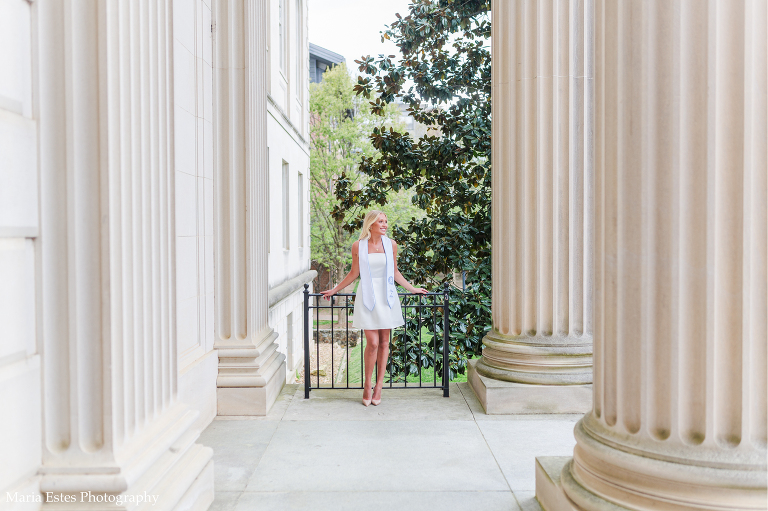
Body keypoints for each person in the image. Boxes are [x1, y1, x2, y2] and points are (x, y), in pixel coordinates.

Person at [321, 210, 427, 406]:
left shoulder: (391, 245)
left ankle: (379, 386)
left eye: (386, 221)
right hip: (367, 295)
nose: (385, 224)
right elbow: (354, 273)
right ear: (370, 225)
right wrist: (335, 290)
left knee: (385, 342)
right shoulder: (358, 246)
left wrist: (412, 289)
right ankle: (367, 384)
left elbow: (395, 271)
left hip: (386, 295)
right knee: (373, 342)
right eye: (381, 221)